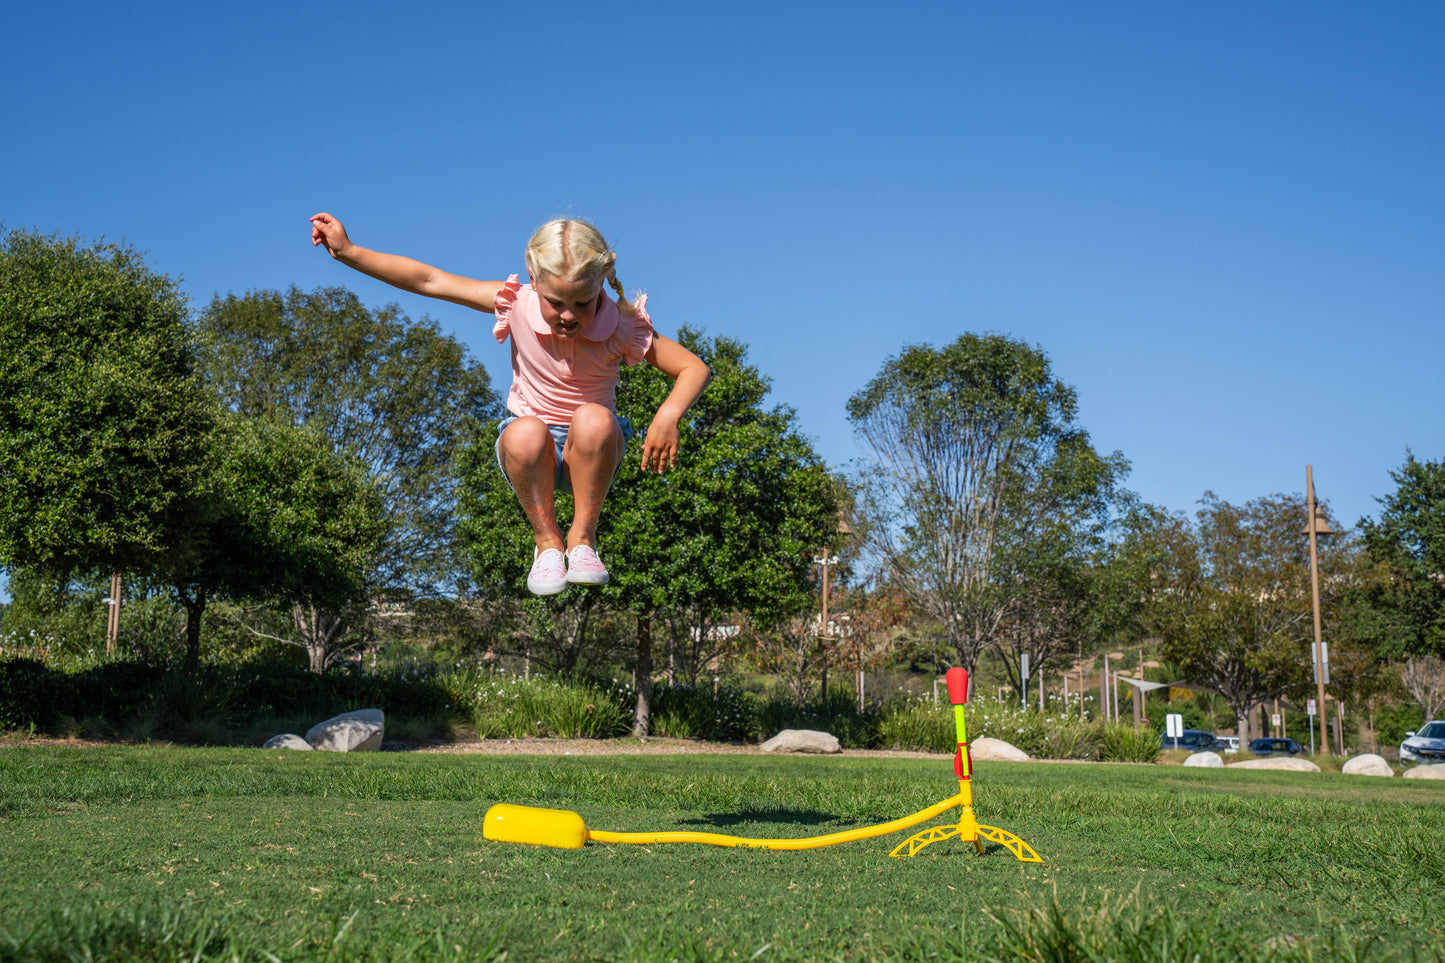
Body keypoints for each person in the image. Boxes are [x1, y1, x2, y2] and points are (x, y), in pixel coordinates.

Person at [309, 212, 710, 596]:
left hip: (592, 451)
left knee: (593, 418)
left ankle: (582, 539)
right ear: (533, 279)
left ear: (603, 281)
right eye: (556, 302)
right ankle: (547, 541)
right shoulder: (516, 303)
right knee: (525, 430)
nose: (568, 316)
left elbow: (693, 368)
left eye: (583, 303)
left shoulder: (621, 324)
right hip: (530, 456)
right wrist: (349, 251)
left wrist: (668, 414)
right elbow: (430, 280)